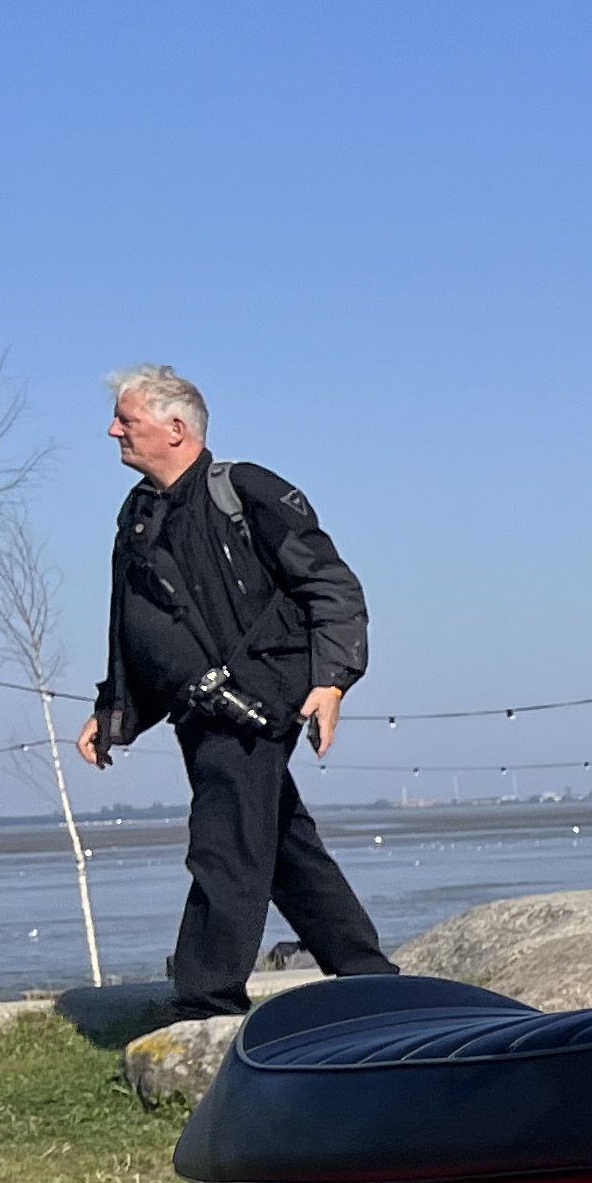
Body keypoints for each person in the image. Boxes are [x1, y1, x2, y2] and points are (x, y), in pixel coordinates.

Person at [78, 366, 396, 1020]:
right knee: (282, 847)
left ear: (176, 428)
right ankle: (372, 978)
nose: (112, 430)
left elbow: (331, 587)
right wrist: (114, 711)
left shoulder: (245, 490)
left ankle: (206, 1001)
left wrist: (332, 680)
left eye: (126, 419)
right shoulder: (137, 514)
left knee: (224, 842)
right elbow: (132, 626)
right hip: (194, 711)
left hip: (258, 700)